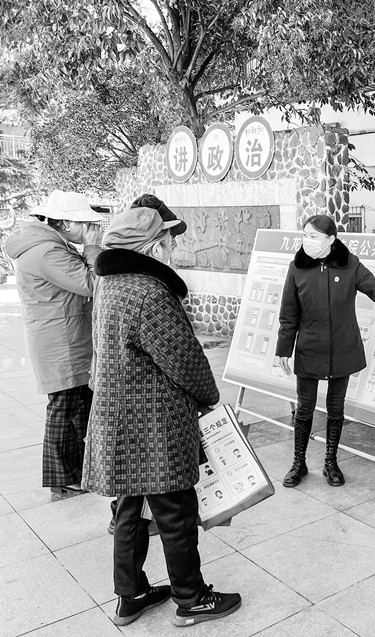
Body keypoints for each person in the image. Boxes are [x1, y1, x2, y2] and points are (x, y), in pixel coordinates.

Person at [82, 202, 241, 627]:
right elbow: (184, 360)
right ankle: (192, 599)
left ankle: (130, 595)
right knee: (176, 512)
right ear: (153, 248)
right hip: (153, 422)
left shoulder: (110, 284)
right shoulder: (149, 292)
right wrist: (209, 396)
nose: (173, 249)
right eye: (169, 242)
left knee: (129, 512)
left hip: (118, 419)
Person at [276, 214, 375, 488]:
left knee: (335, 407)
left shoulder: (350, 265)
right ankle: (298, 463)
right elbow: (288, 313)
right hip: (309, 348)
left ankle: (330, 462)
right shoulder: (297, 268)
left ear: (330, 239)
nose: (307, 241)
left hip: (342, 348)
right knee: (304, 408)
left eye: (313, 236)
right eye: (305, 235)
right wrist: (284, 348)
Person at [6, 191, 103, 495]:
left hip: (64, 338)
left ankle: (77, 471)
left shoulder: (49, 244)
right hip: (61, 343)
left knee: (75, 406)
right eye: (86, 223)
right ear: (65, 223)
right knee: (64, 409)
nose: (92, 228)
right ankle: (63, 477)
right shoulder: (47, 251)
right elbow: (92, 284)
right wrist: (92, 248)